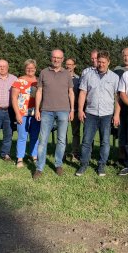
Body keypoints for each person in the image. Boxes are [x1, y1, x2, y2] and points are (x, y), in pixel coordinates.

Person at [75, 51, 120, 177]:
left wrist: (116, 114)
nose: (101, 64)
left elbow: (118, 98)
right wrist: (80, 110)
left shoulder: (114, 78)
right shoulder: (88, 75)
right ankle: (83, 165)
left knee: (105, 141)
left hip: (107, 115)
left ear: (108, 62)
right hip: (91, 113)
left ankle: (101, 166)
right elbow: (83, 93)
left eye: (103, 62)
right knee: (86, 141)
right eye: (99, 61)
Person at [33, 49, 74, 179]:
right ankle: (39, 168)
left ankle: (58, 164)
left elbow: (71, 92)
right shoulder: (44, 72)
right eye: (54, 57)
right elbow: (39, 92)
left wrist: (72, 109)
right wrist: (37, 109)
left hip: (63, 110)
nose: (56, 60)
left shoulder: (67, 73)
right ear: (51, 58)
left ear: (62, 59)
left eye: (59, 58)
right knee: (43, 140)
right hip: (46, 111)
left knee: (61, 140)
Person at [11, 59, 40, 168]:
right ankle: (20, 158)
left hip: (36, 113)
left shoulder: (39, 81)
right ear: (25, 69)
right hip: (22, 113)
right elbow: (14, 98)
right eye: (28, 68)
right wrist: (17, 113)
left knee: (35, 136)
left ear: (35, 69)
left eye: (32, 68)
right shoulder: (19, 81)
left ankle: (34, 156)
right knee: (22, 136)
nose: (30, 70)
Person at [65, 57, 81, 161]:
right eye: (67, 64)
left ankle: (75, 154)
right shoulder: (60, 77)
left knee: (76, 133)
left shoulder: (79, 79)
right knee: (63, 133)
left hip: (75, 110)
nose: (68, 66)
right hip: (63, 109)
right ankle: (63, 153)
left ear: (74, 66)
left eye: (71, 64)